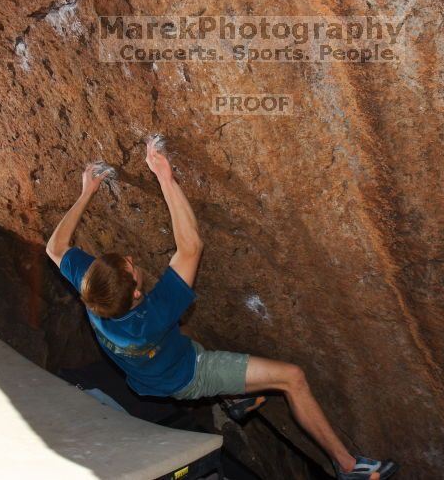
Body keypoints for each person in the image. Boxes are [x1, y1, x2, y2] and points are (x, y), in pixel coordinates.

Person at [45, 139, 398, 480]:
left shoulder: (96, 294)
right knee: (292, 378)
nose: (131, 259)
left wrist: (86, 192)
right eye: (129, 265)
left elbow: (55, 248)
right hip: (189, 374)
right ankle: (347, 466)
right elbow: (191, 246)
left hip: (147, 375)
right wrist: (164, 178)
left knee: (184, 331)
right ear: (137, 293)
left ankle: (235, 400)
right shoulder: (154, 316)